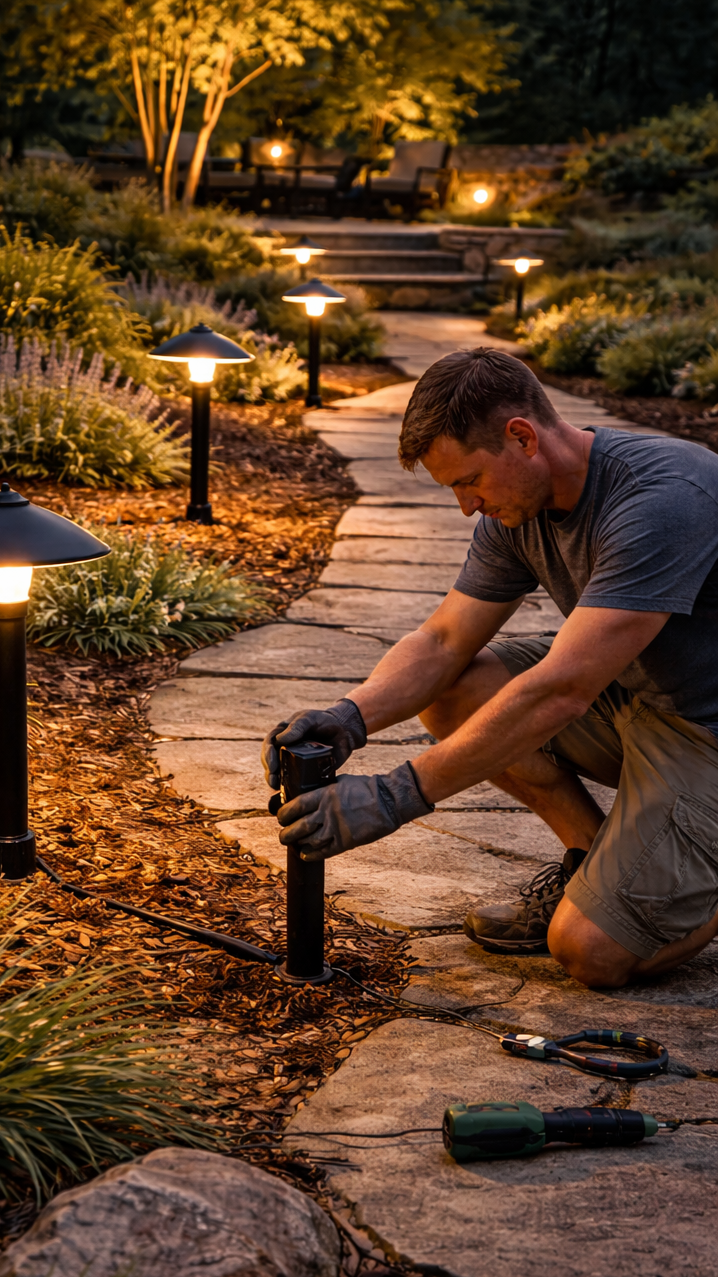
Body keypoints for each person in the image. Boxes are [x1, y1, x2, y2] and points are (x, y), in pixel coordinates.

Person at [261, 347, 718, 989]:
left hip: (706, 730)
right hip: (637, 698)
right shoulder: (520, 505)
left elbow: (561, 690)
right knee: (455, 693)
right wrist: (351, 716)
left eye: (467, 480)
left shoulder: (664, 498)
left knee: (591, 952)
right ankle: (590, 860)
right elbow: (445, 640)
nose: (466, 506)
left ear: (522, 437)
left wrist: (394, 796)